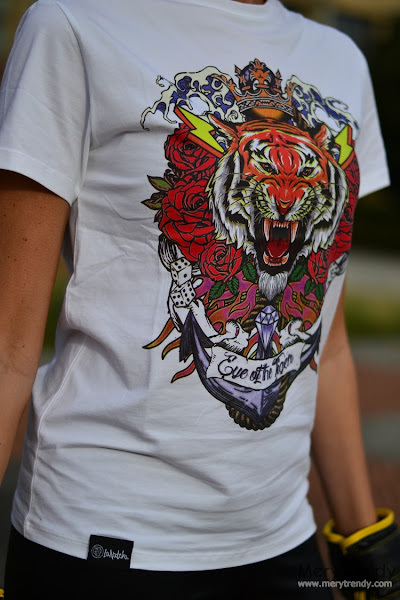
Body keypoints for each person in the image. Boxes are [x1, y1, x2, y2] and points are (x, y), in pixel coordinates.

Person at [0, 0, 399, 598]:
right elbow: (8, 346)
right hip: (103, 540)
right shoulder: (74, 25)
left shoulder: (340, 58)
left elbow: (328, 344)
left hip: (283, 539)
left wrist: (367, 547)